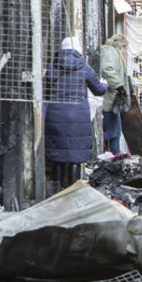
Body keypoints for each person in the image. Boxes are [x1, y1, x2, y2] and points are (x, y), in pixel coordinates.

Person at [44, 37, 107, 189]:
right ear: (78, 49)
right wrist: (106, 85)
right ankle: (73, 187)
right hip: (78, 116)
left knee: (58, 153)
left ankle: (57, 188)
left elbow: (45, 89)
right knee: (75, 154)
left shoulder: (53, 67)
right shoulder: (84, 68)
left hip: (56, 115)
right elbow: (98, 90)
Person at [100, 34, 131, 154]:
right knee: (113, 132)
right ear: (121, 45)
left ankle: (117, 157)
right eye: (124, 48)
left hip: (113, 98)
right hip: (109, 98)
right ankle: (91, 144)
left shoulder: (112, 52)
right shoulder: (110, 51)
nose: (123, 52)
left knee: (116, 132)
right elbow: (107, 69)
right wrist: (119, 86)